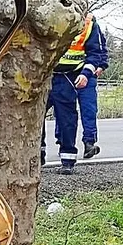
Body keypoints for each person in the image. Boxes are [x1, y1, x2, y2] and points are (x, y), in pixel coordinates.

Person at [46, 12, 109, 174]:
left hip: (78, 74)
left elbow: (99, 52)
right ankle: (39, 152)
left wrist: (93, 70)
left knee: (83, 111)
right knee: (37, 116)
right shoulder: (48, 14)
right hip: (46, 74)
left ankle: (86, 144)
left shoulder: (89, 24)